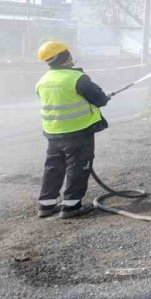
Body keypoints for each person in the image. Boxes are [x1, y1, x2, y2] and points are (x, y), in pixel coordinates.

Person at [34, 41, 110, 219]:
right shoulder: (76, 78)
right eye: (67, 52)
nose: (70, 55)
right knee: (78, 167)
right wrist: (103, 97)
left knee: (54, 167)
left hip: (53, 132)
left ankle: (46, 205)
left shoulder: (43, 80)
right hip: (78, 131)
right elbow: (99, 99)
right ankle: (71, 206)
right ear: (63, 56)